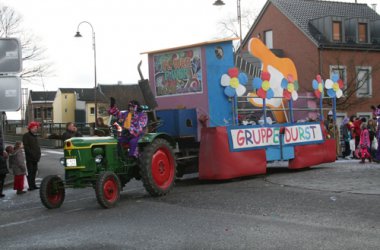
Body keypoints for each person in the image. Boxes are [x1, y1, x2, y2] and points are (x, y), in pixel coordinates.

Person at [22, 121, 41, 190]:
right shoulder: (26, 136)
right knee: (30, 172)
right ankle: (30, 186)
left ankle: (33, 185)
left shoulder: (35, 136)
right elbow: (26, 148)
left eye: (36, 127)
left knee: (34, 172)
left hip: (35, 158)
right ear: (30, 128)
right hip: (30, 158)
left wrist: (38, 155)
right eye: (34, 127)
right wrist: (33, 155)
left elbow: (37, 147)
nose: (36, 129)